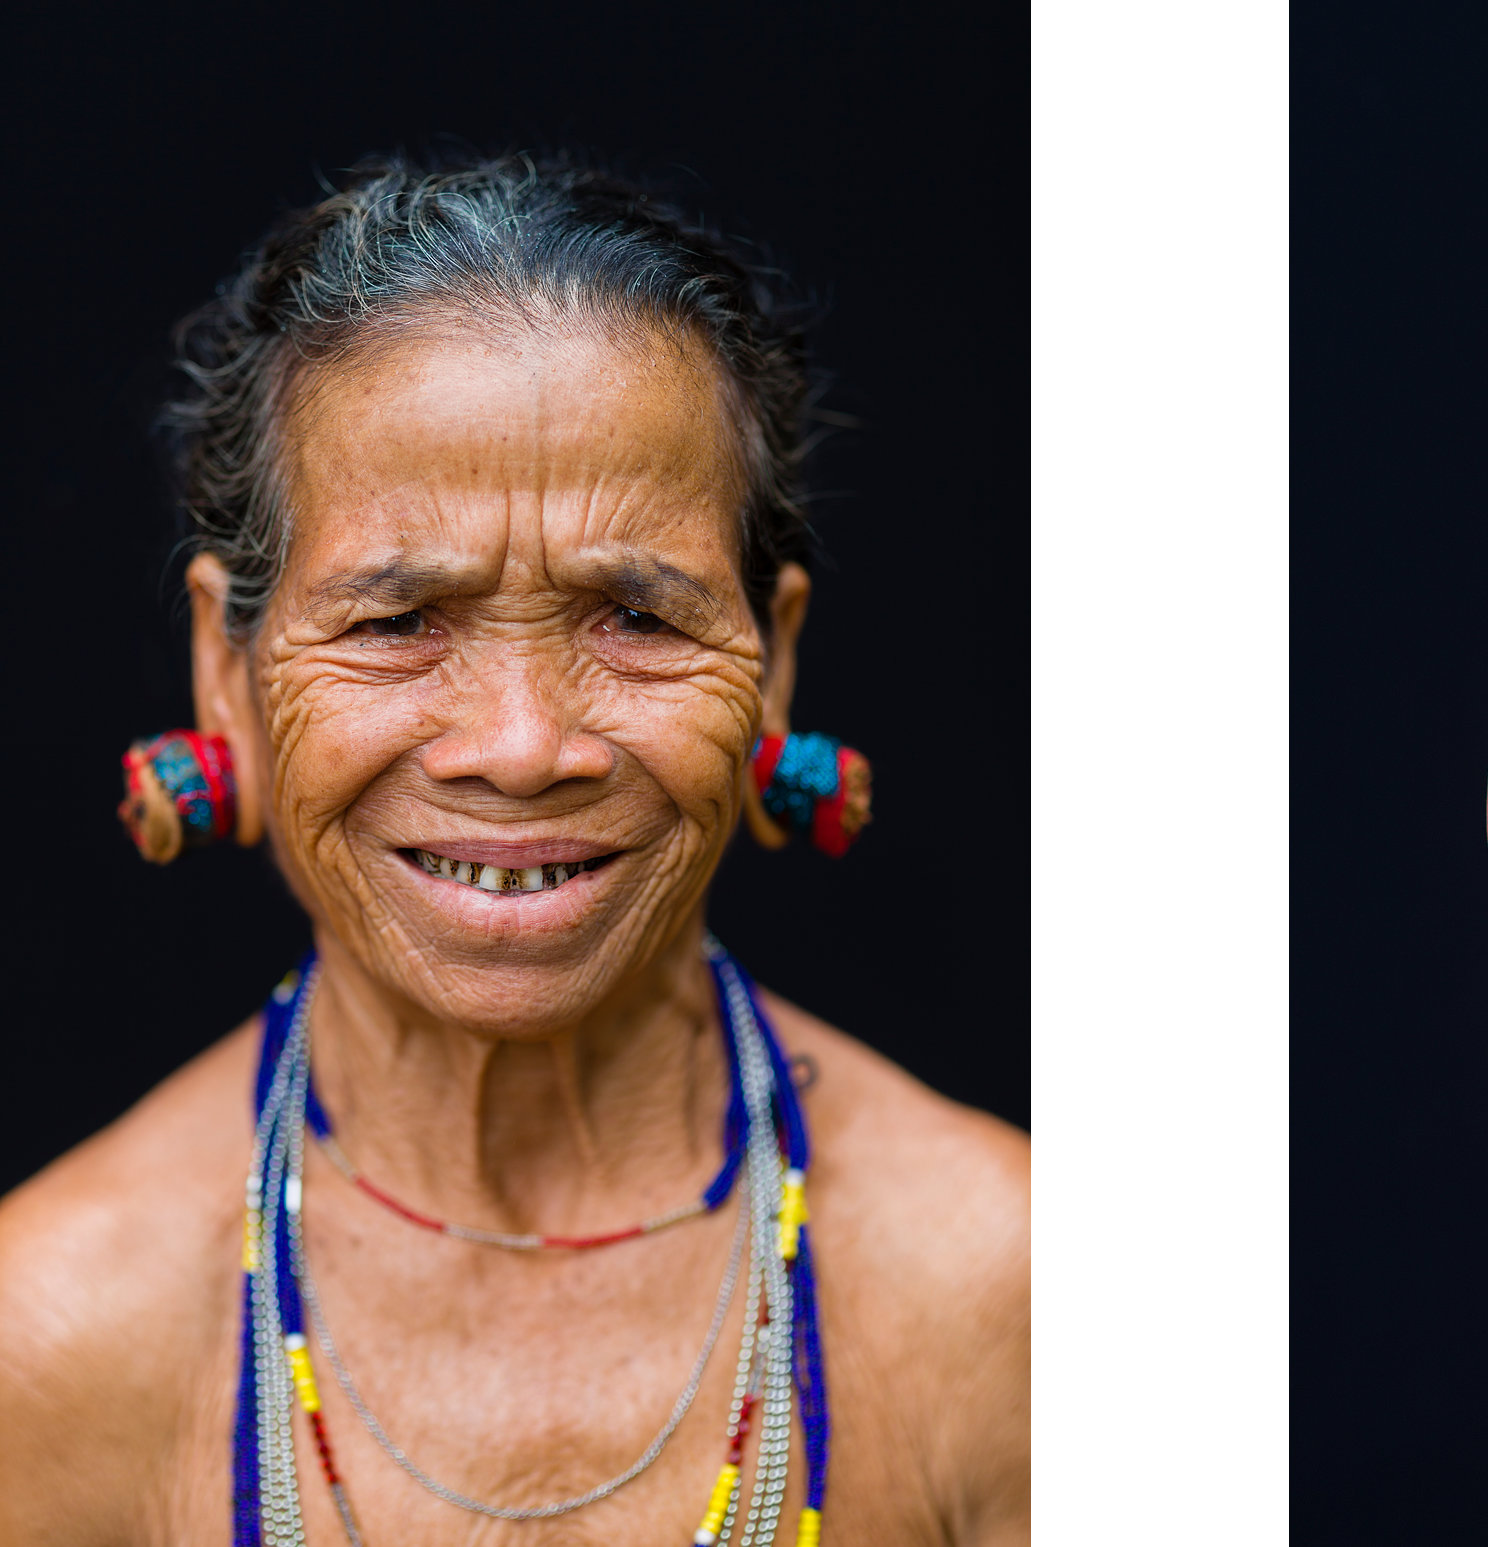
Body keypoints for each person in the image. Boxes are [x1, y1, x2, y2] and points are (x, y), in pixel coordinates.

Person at [0, 154, 1028, 1546]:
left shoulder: (1016, 1305)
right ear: (223, 670)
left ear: (773, 664)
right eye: (395, 621)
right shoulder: (48, 1345)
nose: (525, 744)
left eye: (638, 619)